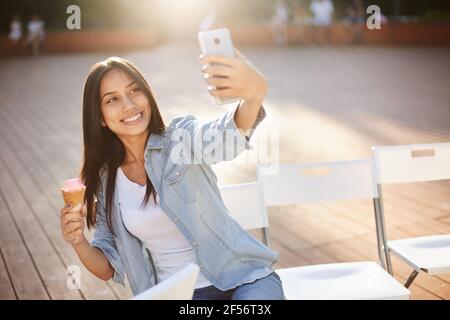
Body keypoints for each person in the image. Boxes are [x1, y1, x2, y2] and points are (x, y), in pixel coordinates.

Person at [60, 51, 285, 300]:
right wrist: (78, 240)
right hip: (180, 294)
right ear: (100, 117)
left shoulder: (179, 137)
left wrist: (252, 96)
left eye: (134, 90)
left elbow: (224, 139)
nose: (129, 104)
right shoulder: (106, 181)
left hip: (245, 278)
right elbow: (107, 268)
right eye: (112, 99)